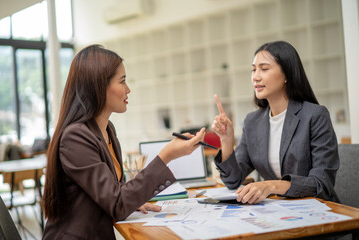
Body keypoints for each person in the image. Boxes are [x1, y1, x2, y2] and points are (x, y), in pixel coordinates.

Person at [42, 44, 205, 239]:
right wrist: (166, 155)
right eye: (122, 81)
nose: (128, 89)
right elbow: (117, 203)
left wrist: (134, 200)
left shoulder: (107, 129)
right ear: (99, 86)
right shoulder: (75, 137)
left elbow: (114, 193)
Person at [212, 41, 339, 205]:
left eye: (264, 69)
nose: (256, 76)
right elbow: (232, 180)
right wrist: (226, 140)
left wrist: (270, 186)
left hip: (318, 211)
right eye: (253, 70)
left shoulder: (315, 116)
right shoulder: (252, 122)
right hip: (278, 212)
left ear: (287, 74)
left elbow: (321, 184)